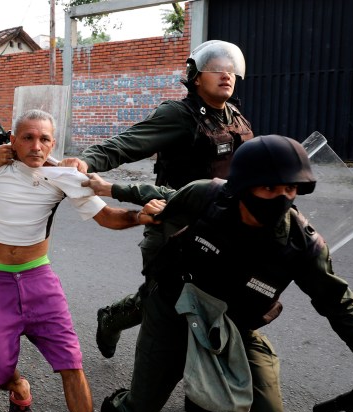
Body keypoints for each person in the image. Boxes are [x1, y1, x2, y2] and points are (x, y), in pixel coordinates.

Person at [89, 135, 353, 412]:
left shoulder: (301, 246)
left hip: (232, 325)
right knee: (139, 411)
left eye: (290, 189)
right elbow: (162, 195)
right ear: (242, 186)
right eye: (269, 188)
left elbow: (338, 302)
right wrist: (112, 189)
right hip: (173, 308)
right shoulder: (207, 197)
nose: (281, 198)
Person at [0, 109, 156, 412]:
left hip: (39, 281)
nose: (35, 145)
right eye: (27, 138)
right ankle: (18, 386)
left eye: (44, 138)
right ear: (14, 141)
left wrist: (140, 217)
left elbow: (108, 217)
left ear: (53, 143)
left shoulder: (64, 177)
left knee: (72, 365)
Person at [62, 40, 254, 369]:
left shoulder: (234, 116)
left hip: (218, 223)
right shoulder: (179, 115)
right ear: (196, 77)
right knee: (164, 299)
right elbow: (126, 143)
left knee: (208, 297)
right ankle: (114, 320)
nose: (227, 74)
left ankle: (206, 382)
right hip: (172, 223)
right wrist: (86, 162)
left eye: (231, 69)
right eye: (217, 69)